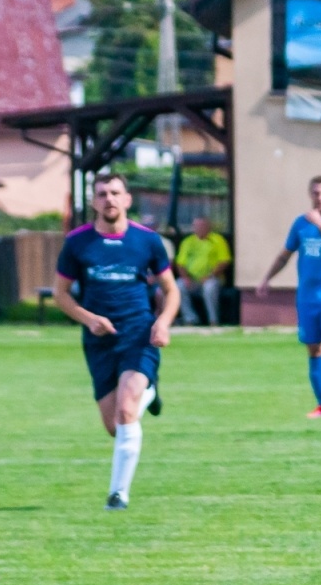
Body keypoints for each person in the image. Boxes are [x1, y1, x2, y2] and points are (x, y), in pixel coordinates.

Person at [53, 173, 179, 510]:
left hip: (139, 333)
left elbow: (171, 290)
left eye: (115, 193)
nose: (109, 199)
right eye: (102, 194)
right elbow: (60, 295)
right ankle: (151, 394)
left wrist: (163, 323)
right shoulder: (77, 243)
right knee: (115, 425)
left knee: (126, 411)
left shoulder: (148, 241)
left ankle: (118, 494)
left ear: (126, 200)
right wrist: (89, 319)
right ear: (93, 202)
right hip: (98, 340)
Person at [256, 176, 321, 418]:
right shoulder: (300, 223)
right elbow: (285, 255)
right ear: (310, 194)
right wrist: (267, 278)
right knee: (314, 349)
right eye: (316, 193)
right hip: (307, 296)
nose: (320, 198)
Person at [174, 216, 232, 328]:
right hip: (192, 279)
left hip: (212, 278)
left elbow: (224, 261)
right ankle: (190, 319)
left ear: (208, 227)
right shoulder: (188, 242)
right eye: (197, 226)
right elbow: (180, 263)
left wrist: (210, 275)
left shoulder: (218, 240)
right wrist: (186, 277)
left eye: (202, 226)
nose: (199, 228)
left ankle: (213, 321)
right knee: (178, 285)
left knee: (209, 288)